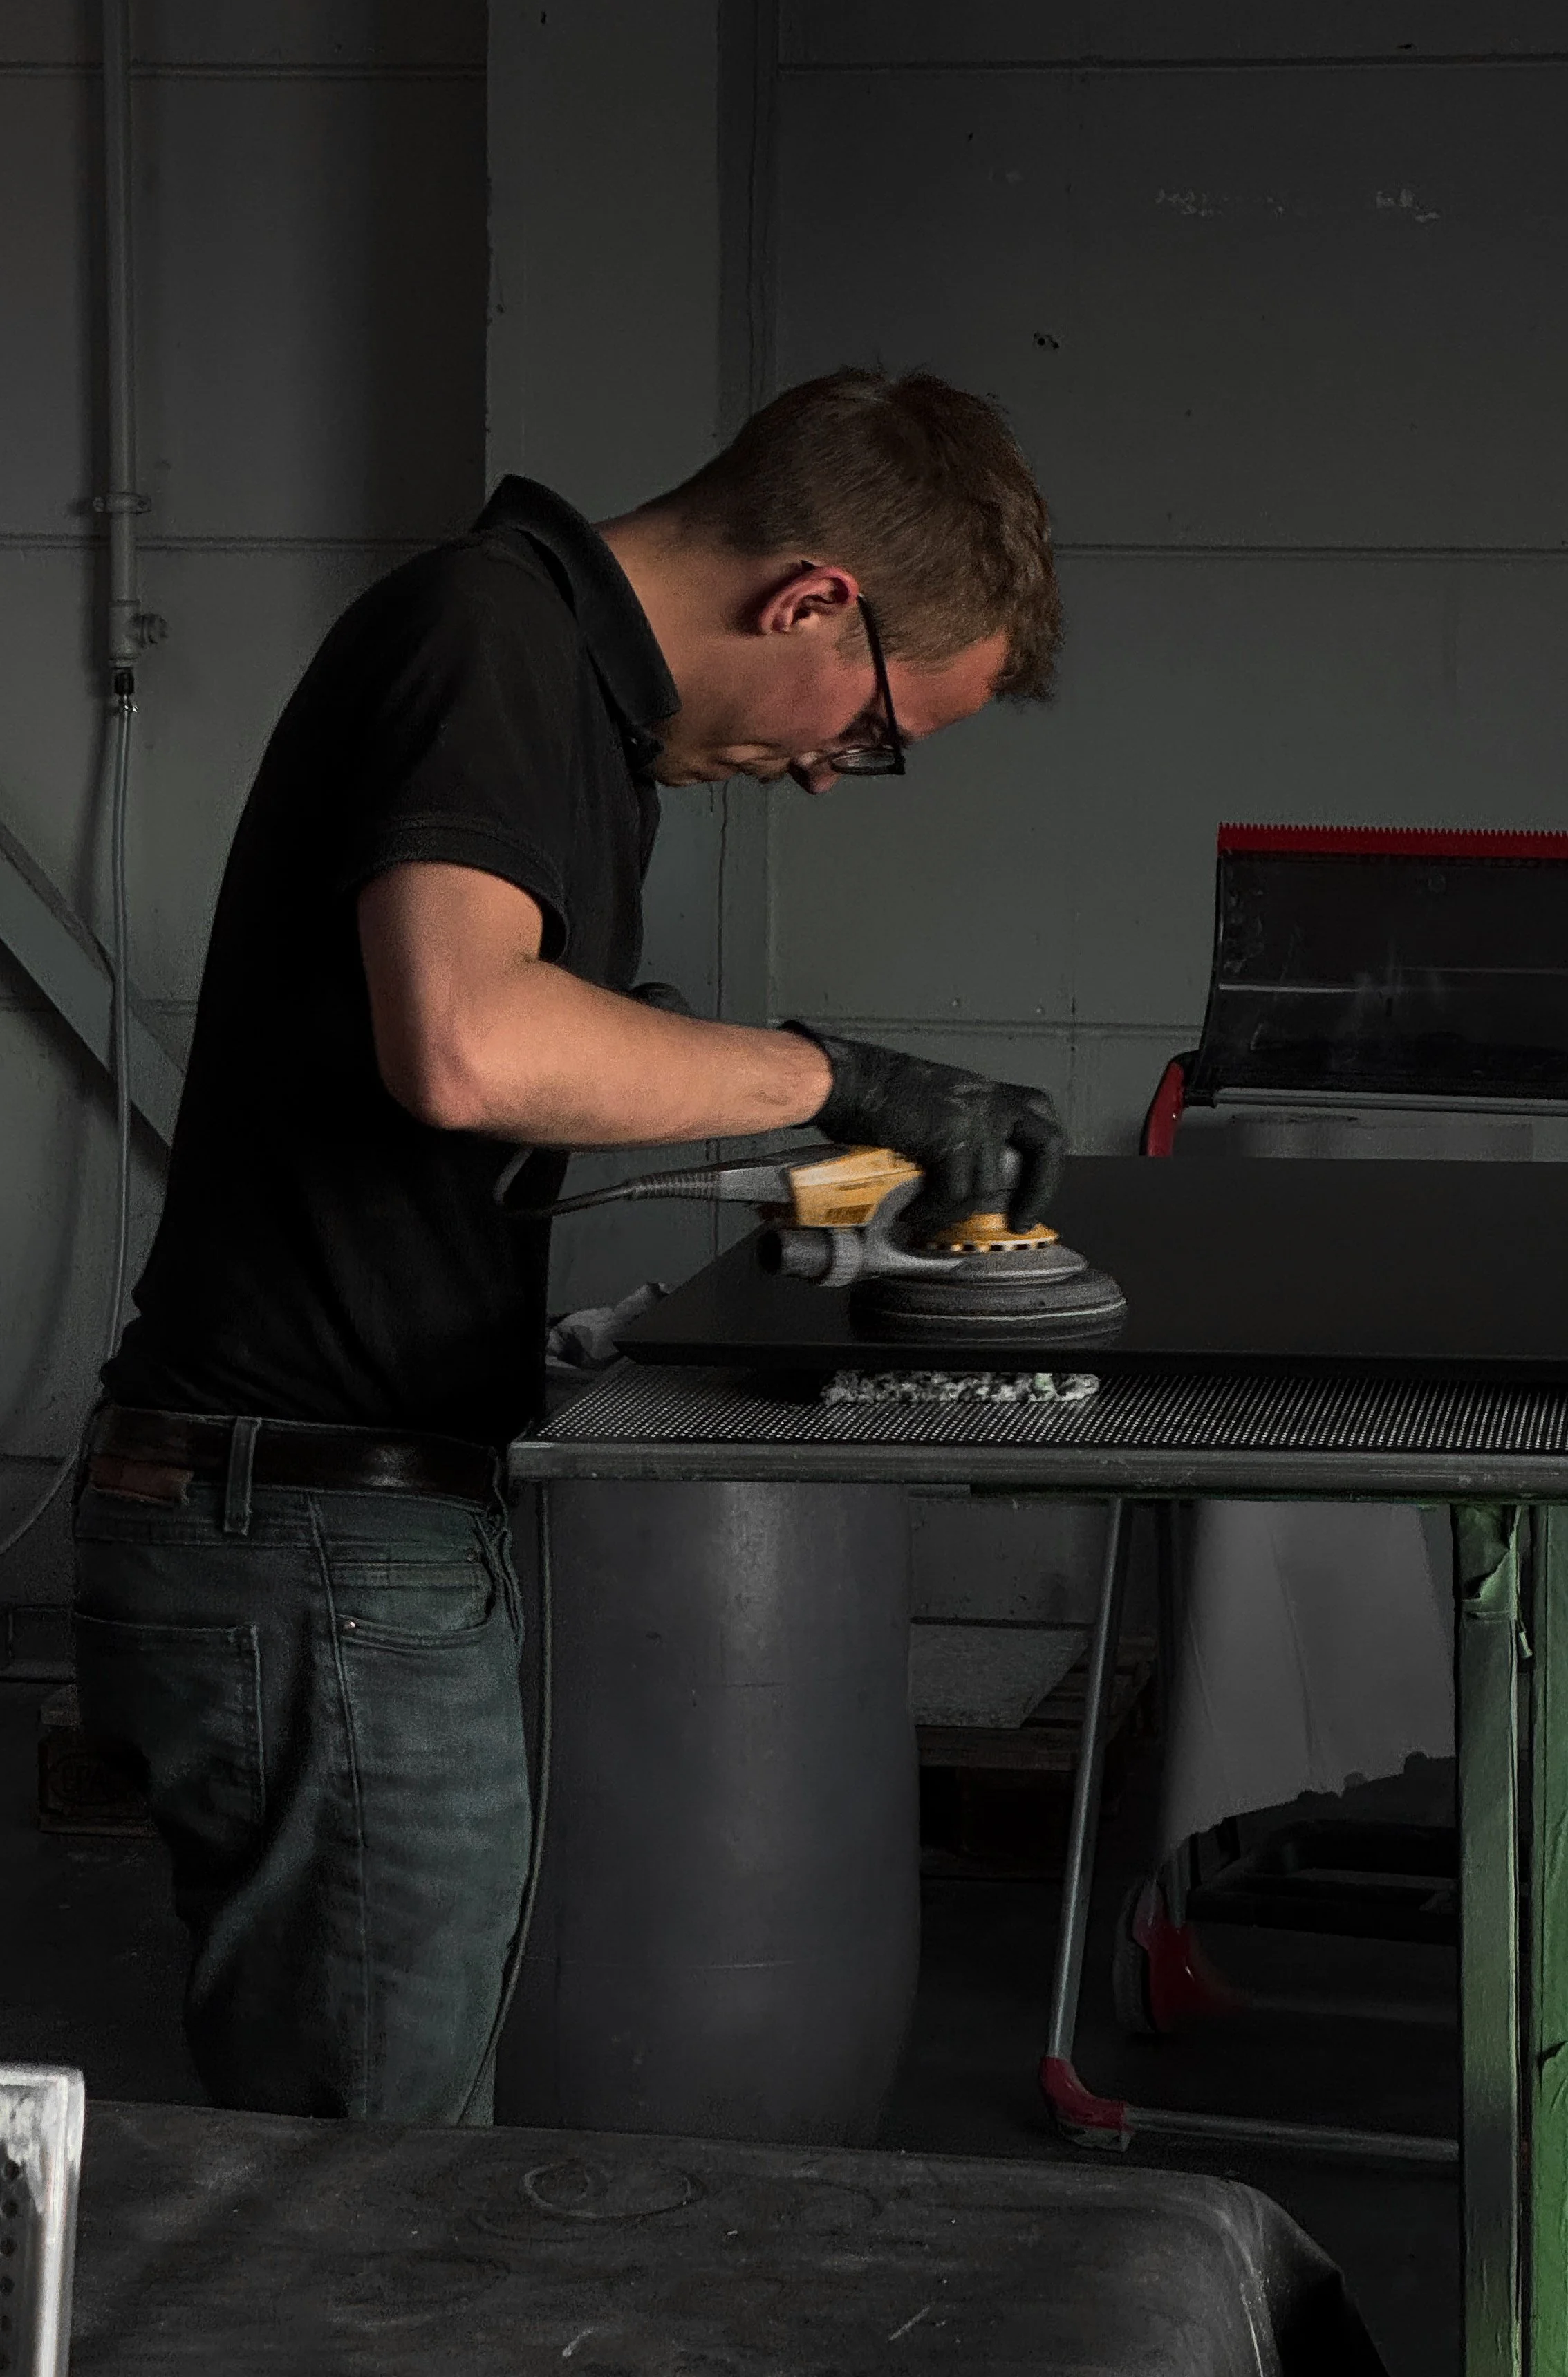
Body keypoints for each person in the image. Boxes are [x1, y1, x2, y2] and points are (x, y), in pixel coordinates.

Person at [73, 366, 1066, 2123]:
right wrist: (837, 1078)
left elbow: (508, 1071)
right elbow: (467, 1046)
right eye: (875, 730)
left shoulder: (564, 700)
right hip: (310, 1529)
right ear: (813, 600)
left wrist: (780, 1130)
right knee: (360, 2174)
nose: (829, 776)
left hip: (334, 1521)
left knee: (368, 2138)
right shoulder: (491, 641)